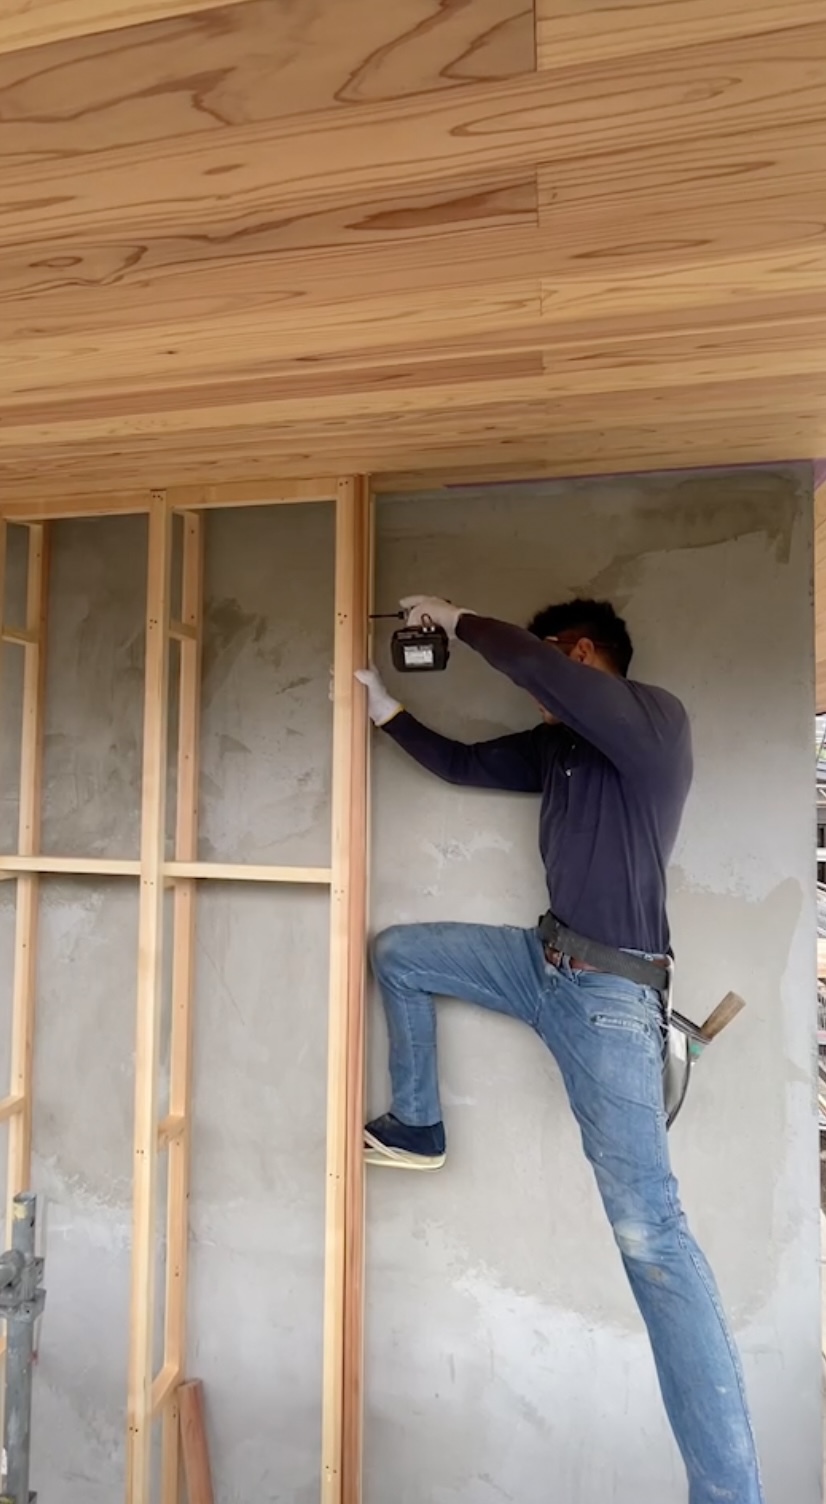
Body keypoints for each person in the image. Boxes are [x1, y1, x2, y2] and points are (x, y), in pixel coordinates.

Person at [356, 593, 764, 1504]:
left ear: (580, 655)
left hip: (614, 1000)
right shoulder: (564, 749)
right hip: (541, 963)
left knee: (651, 1236)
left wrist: (457, 619)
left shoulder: (655, 726)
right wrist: (385, 712)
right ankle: (418, 1123)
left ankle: (730, 1492)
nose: (533, 692)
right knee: (403, 954)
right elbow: (465, 764)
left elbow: (533, 668)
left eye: (550, 668)